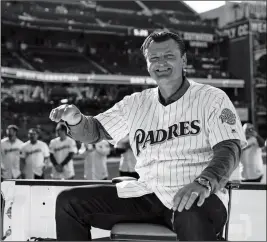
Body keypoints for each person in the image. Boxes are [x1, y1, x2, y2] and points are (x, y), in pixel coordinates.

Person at [50, 30, 247, 241]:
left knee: (190, 215)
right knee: (68, 202)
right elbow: (96, 130)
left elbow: (229, 148)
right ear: (147, 64)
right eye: (154, 58)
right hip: (146, 194)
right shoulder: (135, 103)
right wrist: (76, 120)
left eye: (169, 56)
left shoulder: (212, 98)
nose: (161, 63)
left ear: (184, 59)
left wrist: (204, 182)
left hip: (199, 195)